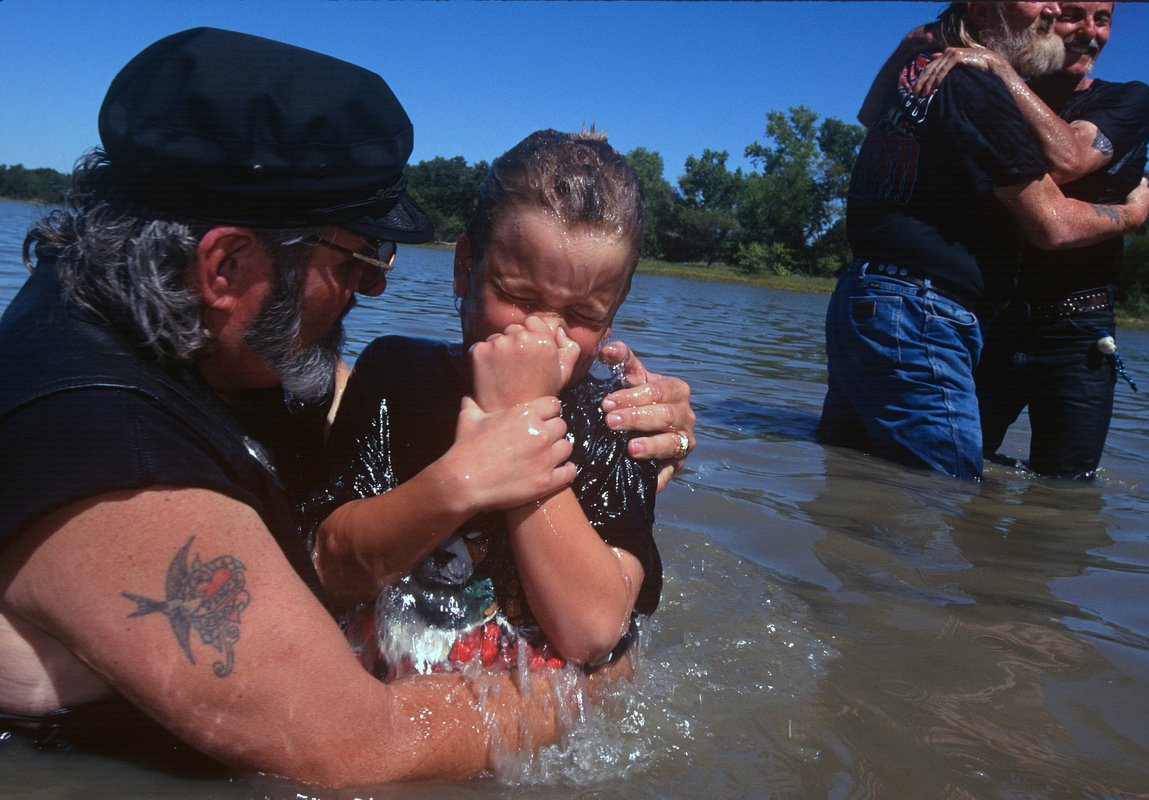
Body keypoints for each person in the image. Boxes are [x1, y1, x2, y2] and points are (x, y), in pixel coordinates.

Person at [0, 28, 694, 787]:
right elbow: (357, 744)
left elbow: (352, 389)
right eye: (355, 261)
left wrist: (626, 425)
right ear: (226, 266)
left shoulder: (135, 315)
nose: (376, 290)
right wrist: (598, 683)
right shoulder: (109, 453)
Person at [305, 129, 663, 679]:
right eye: (519, 297)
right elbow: (328, 567)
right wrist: (468, 477)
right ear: (465, 265)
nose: (547, 334)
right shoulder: (395, 374)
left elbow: (593, 632)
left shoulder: (619, 422)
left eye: (584, 316)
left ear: (613, 314)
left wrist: (518, 421)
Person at [817, 1, 1149, 481]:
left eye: (1103, 19)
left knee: (853, 478)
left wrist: (923, 44)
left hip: (876, 300)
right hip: (926, 312)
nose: (1066, 20)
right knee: (940, 503)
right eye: (1060, 11)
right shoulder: (976, 82)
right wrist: (1132, 212)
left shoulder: (929, 72)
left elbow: (871, 116)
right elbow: (1052, 224)